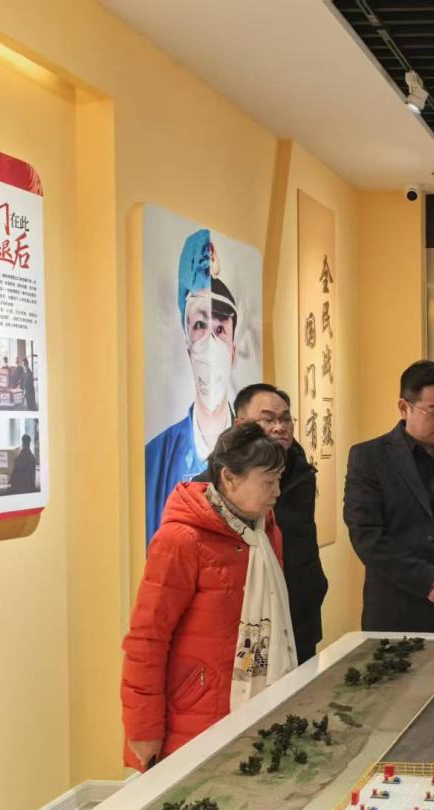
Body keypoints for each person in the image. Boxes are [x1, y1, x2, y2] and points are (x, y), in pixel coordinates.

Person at [121, 422, 297, 771]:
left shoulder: (264, 532)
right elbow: (147, 638)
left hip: (258, 707)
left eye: (279, 480)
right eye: (268, 481)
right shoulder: (181, 540)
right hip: (195, 717)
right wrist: (142, 727)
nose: (277, 491)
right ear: (229, 478)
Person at [344, 360, 434, 633]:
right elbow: (366, 535)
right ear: (404, 408)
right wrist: (429, 581)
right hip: (397, 610)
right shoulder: (369, 457)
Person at [193, 384, 327, 663]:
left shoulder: (301, 472)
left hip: (299, 616)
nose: (280, 427)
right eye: (268, 419)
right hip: (244, 626)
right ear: (241, 425)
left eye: (286, 418)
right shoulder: (212, 488)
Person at [145, 230, 241, 545]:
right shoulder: (156, 458)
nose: (210, 343)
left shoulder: (255, 450)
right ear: (188, 346)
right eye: (200, 325)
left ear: (233, 351)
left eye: (220, 330)